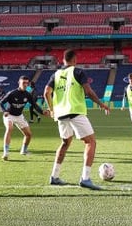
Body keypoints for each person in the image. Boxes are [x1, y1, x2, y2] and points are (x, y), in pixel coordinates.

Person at [44, 48, 111, 190]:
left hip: (61, 114)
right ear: (75, 60)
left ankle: (54, 176)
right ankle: (85, 178)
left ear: (63, 60)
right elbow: (88, 91)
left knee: (65, 143)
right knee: (90, 142)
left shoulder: (56, 74)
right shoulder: (78, 71)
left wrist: (51, 110)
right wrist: (101, 104)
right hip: (75, 112)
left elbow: (46, 93)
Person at [0, 75, 45, 160]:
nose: (25, 84)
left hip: (19, 116)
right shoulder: (12, 93)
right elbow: (0, 103)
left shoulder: (28, 95)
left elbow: (34, 105)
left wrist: (42, 112)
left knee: (29, 135)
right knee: (9, 128)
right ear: (19, 83)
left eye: (27, 83)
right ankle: (6, 153)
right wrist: (4, 111)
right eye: (23, 82)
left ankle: (23, 150)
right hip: (9, 115)